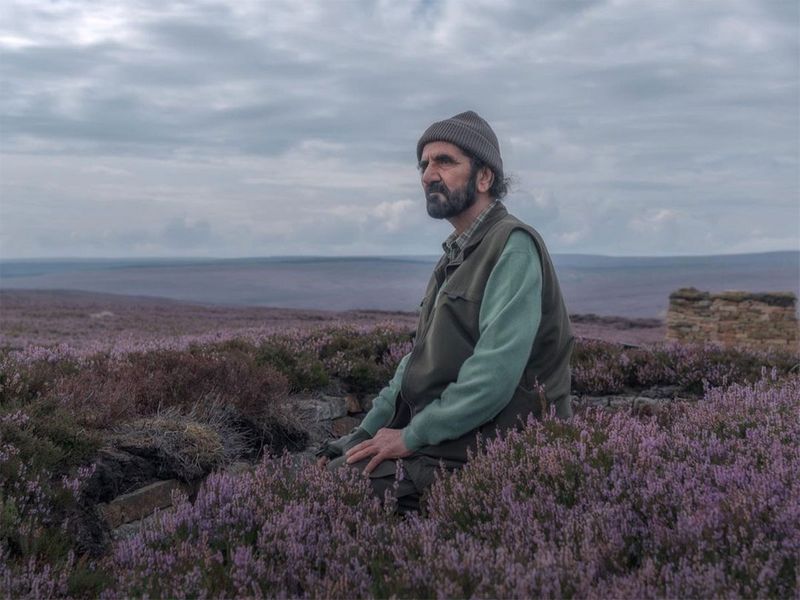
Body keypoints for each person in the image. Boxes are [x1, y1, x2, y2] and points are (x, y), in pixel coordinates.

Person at [317, 110, 574, 513]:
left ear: (485, 177)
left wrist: (412, 435)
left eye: (444, 161)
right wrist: (361, 434)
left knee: (334, 497)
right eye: (424, 164)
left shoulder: (513, 246)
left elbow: (493, 376)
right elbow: (416, 365)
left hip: (497, 449)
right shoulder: (455, 256)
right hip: (451, 441)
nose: (427, 174)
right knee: (325, 471)